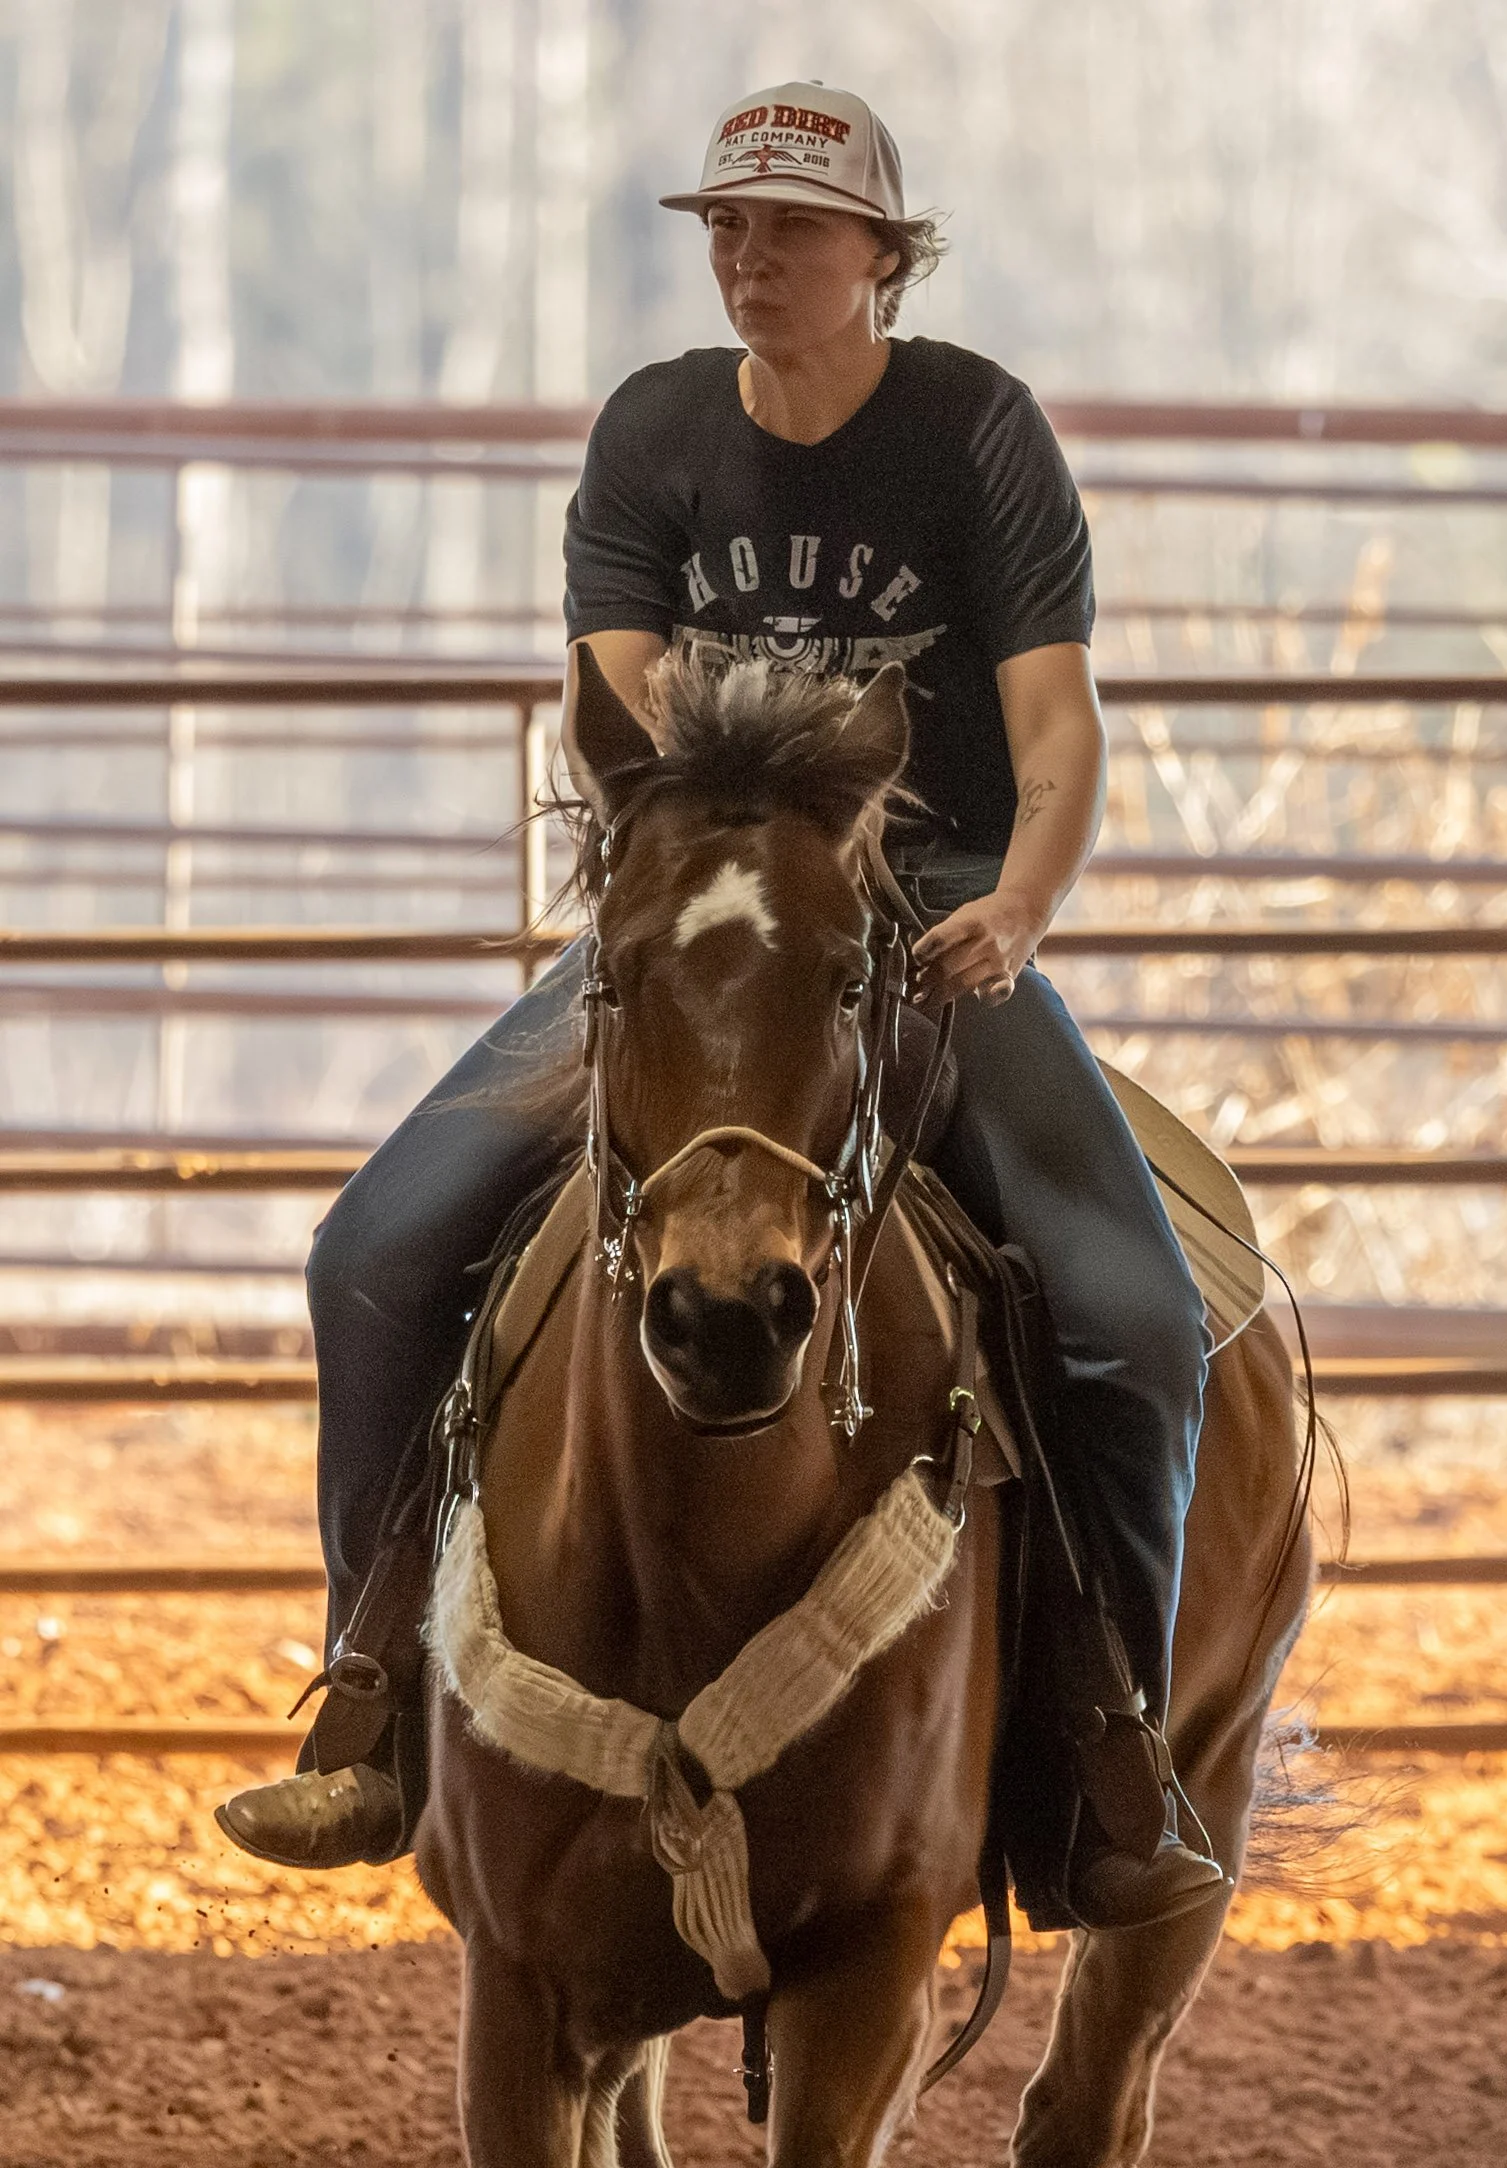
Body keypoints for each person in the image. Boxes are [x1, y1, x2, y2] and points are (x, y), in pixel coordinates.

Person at [217, 80, 1220, 1928]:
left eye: (793, 230)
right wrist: (706, 906)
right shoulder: (655, 432)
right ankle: (371, 1705)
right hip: (703, 923)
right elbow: (625, 704)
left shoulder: (979, 433)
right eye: (728, 230)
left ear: (881, 257)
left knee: (1136, 1318)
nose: (751, 260)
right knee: (373, 1250)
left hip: (920, 929)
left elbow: (1057, 721)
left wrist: (1019, 899)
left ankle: (1112, 1756)